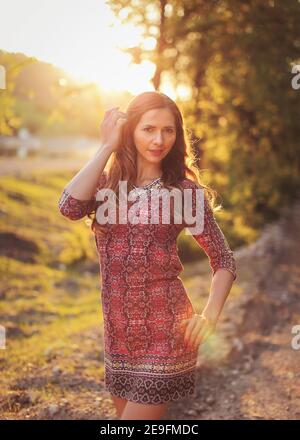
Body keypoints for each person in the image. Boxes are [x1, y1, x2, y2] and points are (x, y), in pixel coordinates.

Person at [58, 91, 237, 420]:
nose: (159, 139)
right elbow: (68, 207)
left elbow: (224, 260)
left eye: (168, 130)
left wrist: (209, 316)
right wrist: (107, 146)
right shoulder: (105, 186)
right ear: (131, 131)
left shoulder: (184, 193)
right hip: (118, 335)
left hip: (167, 333)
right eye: (149, 129)